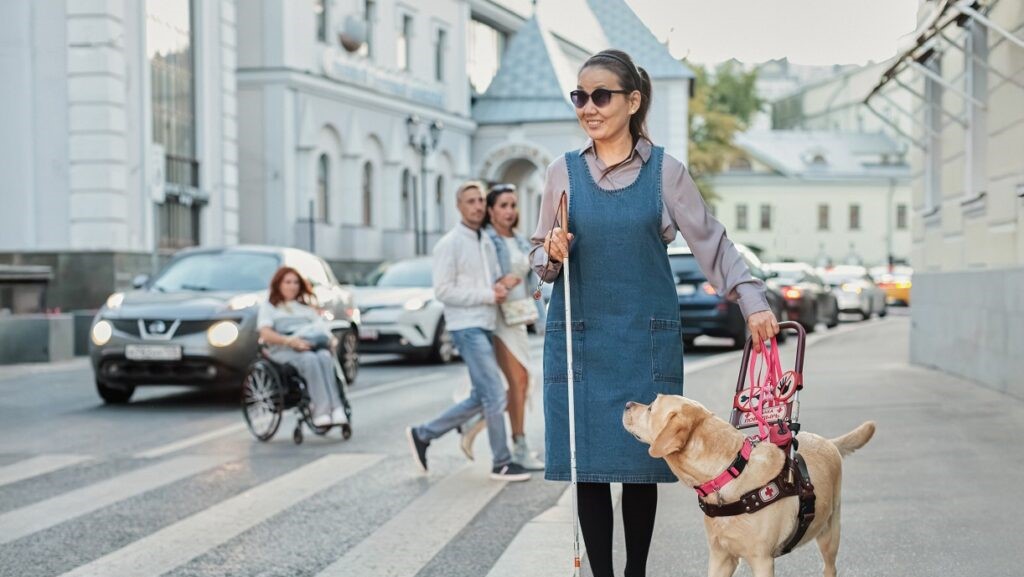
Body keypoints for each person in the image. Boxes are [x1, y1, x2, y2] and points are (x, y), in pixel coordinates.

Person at [531, 49, 780, 577]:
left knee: (641, 468)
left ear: (633, 100)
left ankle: (635, 573)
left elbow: (712, 242)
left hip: (643, 339)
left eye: (601, 95)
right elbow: (538, 260)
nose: (588, 107)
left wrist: (753, 300)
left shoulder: (666, 172)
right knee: (591, 469)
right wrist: (548, 254)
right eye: (580, 96)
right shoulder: (562, 173)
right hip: (580, 340)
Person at [406, 181, 533, 482]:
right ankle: (502, 461)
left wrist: (503, 286)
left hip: (486, 323)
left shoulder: (486, 241)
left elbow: (492, 281)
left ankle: (423, 434)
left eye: (479, 200)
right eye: (470, 201)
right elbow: (444, 291)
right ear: (459, 206)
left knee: (482, 395)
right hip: (466, 327)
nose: (476, 206)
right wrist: (489, 294)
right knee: (493, 393)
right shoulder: (449, 244)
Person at [457, 184, 546, 471]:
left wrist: (540, 312)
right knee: (519, 381)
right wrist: (501, 282)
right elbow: (482, 278)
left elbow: (535, 284)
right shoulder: (486, 240)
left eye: (513, 205)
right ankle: (518, 444)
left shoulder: (521, 241)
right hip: (497, 318)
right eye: (503, 206)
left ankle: (474, 417)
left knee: (520, 382)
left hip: (518, 318)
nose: (510, 211)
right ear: (491, 210)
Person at [257, 267, 346, 427]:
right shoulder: (269, 307)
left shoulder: (306, 308)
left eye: (296, 282)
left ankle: (336, 408)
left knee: (325, 357)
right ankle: (321, 410)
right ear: (279, 284)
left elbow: (321, 328)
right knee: (309, 360)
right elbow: (265, 334)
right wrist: (290, 341)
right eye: (288, 282)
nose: (292, 286)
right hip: (283, 349)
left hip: (310, 346)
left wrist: (330, 340)